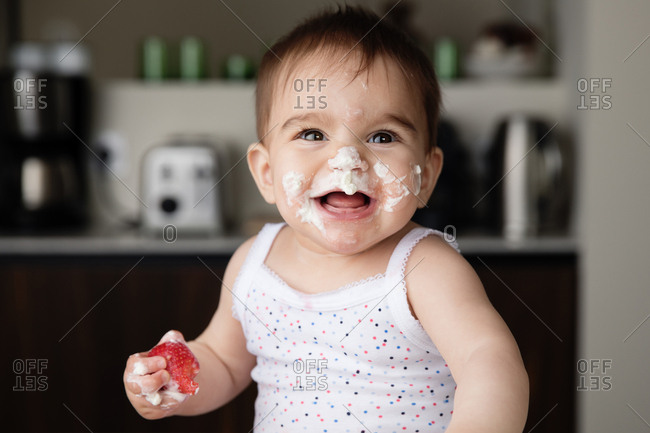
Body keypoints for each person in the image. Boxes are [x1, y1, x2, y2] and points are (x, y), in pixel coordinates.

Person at [123, 6, 529, 432]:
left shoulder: (423, 268)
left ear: (425, 176)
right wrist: (172, 381)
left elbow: (489, 360)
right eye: (312, 134)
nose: (346, 160)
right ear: (266, 173)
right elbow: (223, 363)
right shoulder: (253, 264)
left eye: (383, 137)